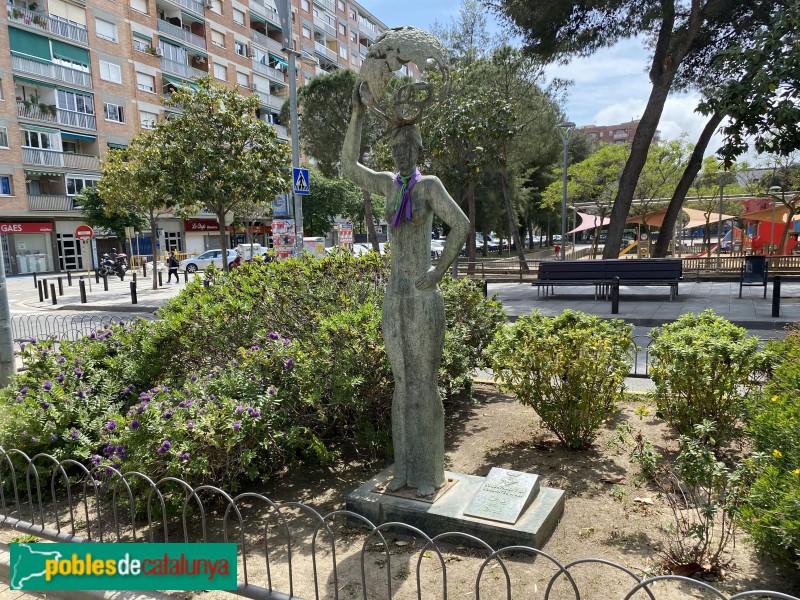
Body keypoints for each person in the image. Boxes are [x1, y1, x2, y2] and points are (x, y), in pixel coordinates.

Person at [342, 86, 469, 498]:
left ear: (417, 149)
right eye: (395, 148)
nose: (401, 154)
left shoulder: (427, 186)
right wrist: (358, 113)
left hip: (422, 296)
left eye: (407, 147)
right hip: (394, 296)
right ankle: (404, 472)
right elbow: (348, 167)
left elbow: (461, 224)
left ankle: (430, 474)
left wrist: (438, 272)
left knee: (425, 384)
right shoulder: (387, 185)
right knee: (402, 382)